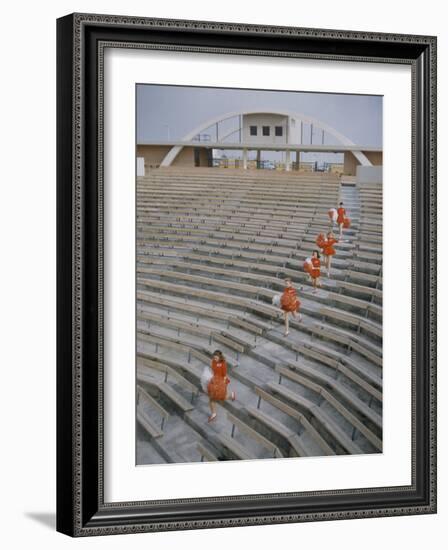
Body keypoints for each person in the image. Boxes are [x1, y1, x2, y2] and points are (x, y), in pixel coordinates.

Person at [207, 350, 235, 423]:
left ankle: (231, 395)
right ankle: (214, 413)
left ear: (219, 357)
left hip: (221, 381)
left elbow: (224, 374)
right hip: (215, 380)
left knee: (221, 397)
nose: (215, 359)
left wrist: (222, 384)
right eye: (214, 358)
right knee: (212, 398)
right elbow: (213, 370)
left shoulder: (223, 363)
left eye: (216, 358)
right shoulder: (213, 361)